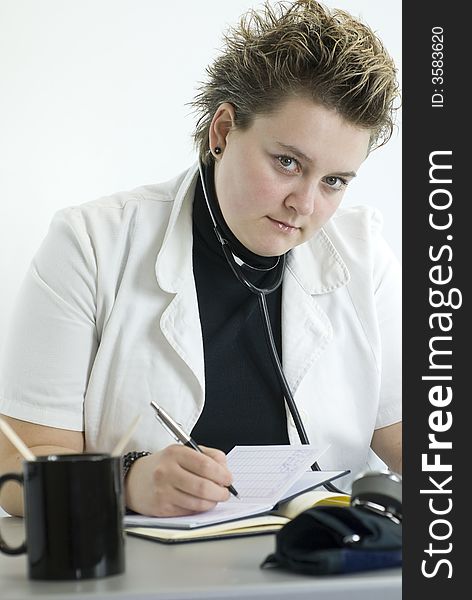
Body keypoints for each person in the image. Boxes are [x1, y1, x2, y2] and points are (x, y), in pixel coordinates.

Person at [0, 0, 401, 518]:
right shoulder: (91, 244)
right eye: (287, 162)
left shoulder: (363, 256)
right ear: (223, 131)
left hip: (319, 571)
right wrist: (124, 482)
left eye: (334, 181)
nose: (305, 204)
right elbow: (16, 464)